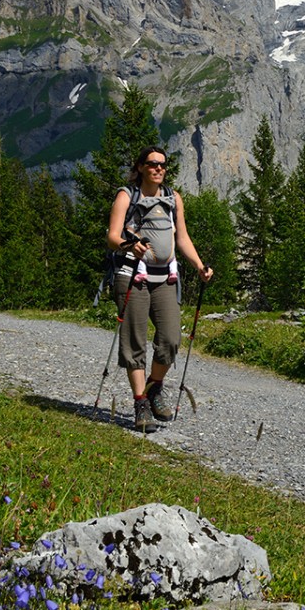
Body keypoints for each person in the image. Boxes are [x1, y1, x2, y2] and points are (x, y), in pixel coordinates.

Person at [106, 146, 213, 430]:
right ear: (140, 166)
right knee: (135, 341)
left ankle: (154, 386)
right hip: (132, 274)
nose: (158, 169)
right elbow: (113, 237)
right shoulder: (126, 196)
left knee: (170, 339)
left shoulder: (173, 198)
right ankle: (141, 403)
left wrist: (200, 266)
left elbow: (183, 239)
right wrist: (130, 245)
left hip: (166, 277)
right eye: (152, 164)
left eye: (163, 165)